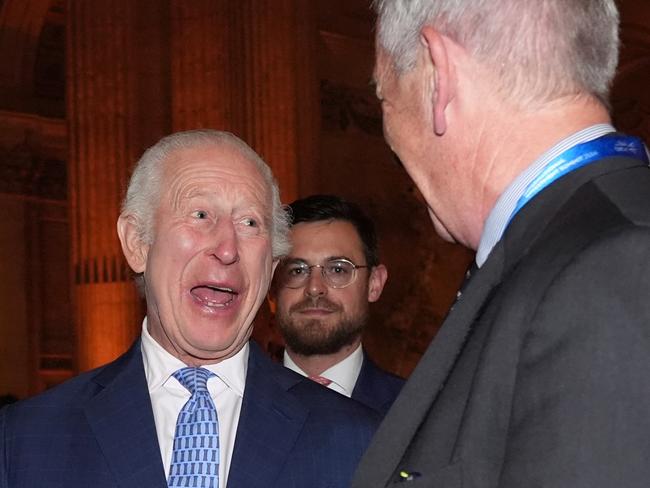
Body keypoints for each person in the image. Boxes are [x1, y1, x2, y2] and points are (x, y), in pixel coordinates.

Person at [352, 1, 650, 487]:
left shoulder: (613, 272)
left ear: (439, 75)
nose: (389, 138)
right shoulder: (567, 254)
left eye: (385, 98)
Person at [0, 130, 379, 488]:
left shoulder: (355, 440)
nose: (228, 248)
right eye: (201, 216)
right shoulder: (25, 440)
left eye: (250, 223)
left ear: (272, 263)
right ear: (137, 243)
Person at [271, 194, 404, 416]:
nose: (314, 288)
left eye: (338, 270)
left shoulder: (417, 415)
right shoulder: (234, 406)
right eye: (297, 270)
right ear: (271, 287)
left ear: (374, 283)